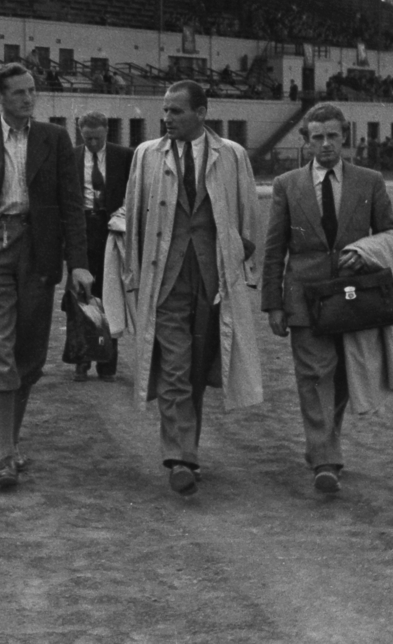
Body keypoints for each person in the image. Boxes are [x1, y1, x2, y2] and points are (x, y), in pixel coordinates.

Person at [0, 63, 91, 490]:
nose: (29, 99)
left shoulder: (54, 138)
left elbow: (72, 205)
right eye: (19, 92)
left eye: (32, 91)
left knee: (29, 357)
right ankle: (5, 455)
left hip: (39, 250)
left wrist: (77, 261)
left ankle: (12, 441)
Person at [121, 81, 263, 495]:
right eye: (164, 111)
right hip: (164, 278)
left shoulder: (232, 155)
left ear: (202, 113)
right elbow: (134, 216)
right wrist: (133, 273)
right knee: (175, 367)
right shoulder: (146, 155)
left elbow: (248, 215)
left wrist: (242, 267)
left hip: (212, 278)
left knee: (199, 367)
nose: (167, 118)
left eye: (177, 111)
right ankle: (180, 456)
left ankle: (188, 448)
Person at [261, 102, 393, 494]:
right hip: (304, 298)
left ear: (346, 138)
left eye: (333, 136)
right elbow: (274, 248)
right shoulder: (287, 185)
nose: (325, 145)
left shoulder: (369, 181)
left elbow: (392, 233)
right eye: (317, 137)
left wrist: (365, 252)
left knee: (341, 377)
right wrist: (273, 303)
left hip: (353, 297)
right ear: (305, 142)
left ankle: (325, 444)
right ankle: (326, 459)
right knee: (314, 375)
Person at [65, 111, 130, 382]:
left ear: (106, 131)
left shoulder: (125, 157)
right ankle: (81, 361)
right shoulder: (71, 157)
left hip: (111, 230)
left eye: (97, 138)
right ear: (80, 133)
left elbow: (134, 194)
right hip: (81, 230)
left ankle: (107, 365)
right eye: (87, 138)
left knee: (109, 297)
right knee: (79, 296)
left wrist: (121, 218)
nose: (92, 143)